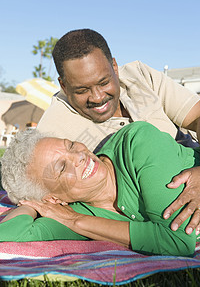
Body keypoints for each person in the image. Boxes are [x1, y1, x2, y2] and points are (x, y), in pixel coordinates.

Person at [36, 29, 200, 235]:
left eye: (104, 83)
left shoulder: (138, 75)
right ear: (63, 85)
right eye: (81, 90)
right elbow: (33, 192)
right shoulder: (52, 131)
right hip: (163, 199)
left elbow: (196, 116)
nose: (97, 97)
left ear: (114, 66)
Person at [1, 122, 200, 256]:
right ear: (52, 199)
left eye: (70, 145)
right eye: (61, 167)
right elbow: (10, 236)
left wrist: (76, 222)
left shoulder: (137, 142)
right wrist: (32, 205)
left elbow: (177, 241)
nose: (79, 156)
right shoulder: (72, 210)